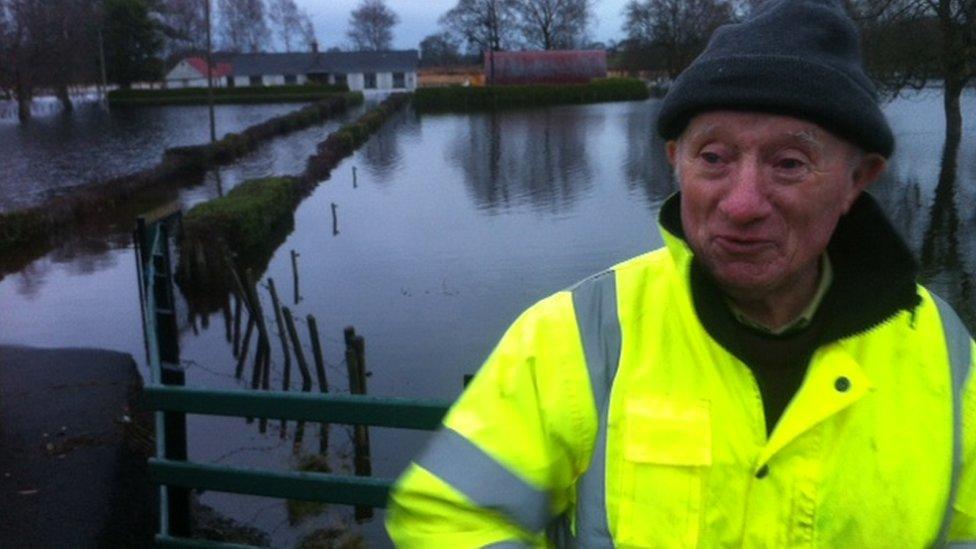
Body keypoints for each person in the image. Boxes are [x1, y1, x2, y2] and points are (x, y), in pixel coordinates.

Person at [385, 0, 976, 546]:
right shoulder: (577, 336)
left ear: (857, 180)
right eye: (713, 157)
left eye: (789, 162)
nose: (742, 203)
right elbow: (448, 517)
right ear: (675, 161)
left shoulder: (942, 351)